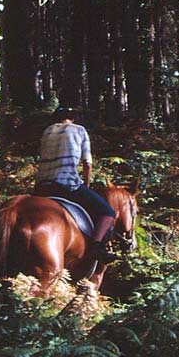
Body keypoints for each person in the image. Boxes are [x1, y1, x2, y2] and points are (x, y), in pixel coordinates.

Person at [34, 107, 119, 263]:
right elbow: (87, 163)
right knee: (107, 213)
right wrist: (86, 184)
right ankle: (97, 247)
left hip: (42, 186)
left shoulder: (48, 131)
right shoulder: (79, 130)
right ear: (72, 118)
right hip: (67, 185)